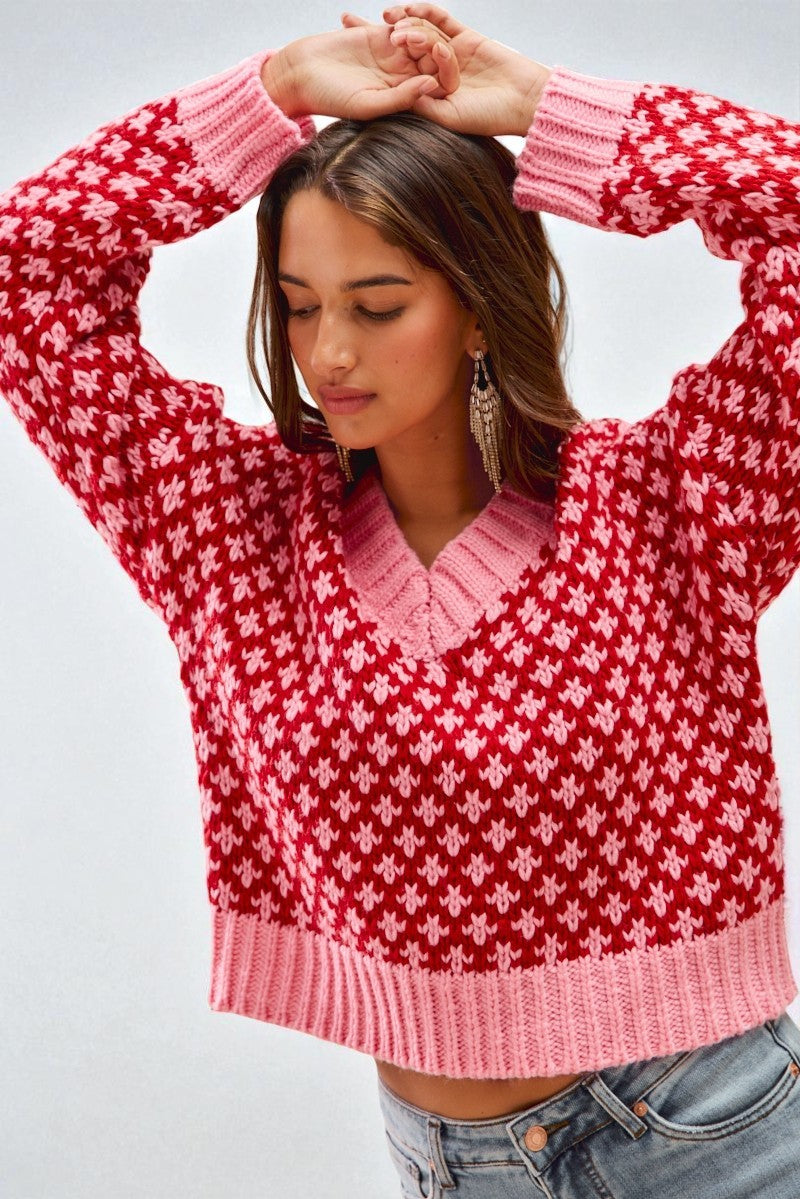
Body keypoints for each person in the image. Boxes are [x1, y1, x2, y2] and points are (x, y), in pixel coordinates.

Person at [2, 3, 800, 1195]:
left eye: (376, 305)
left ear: (476, 305)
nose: (327, 352)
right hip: (447, 1161)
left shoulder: (668, 504)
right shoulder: (225, 530)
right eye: (299, 301)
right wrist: (274, 90)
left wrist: (555, 116)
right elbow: (27, 268)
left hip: (711, 1131)